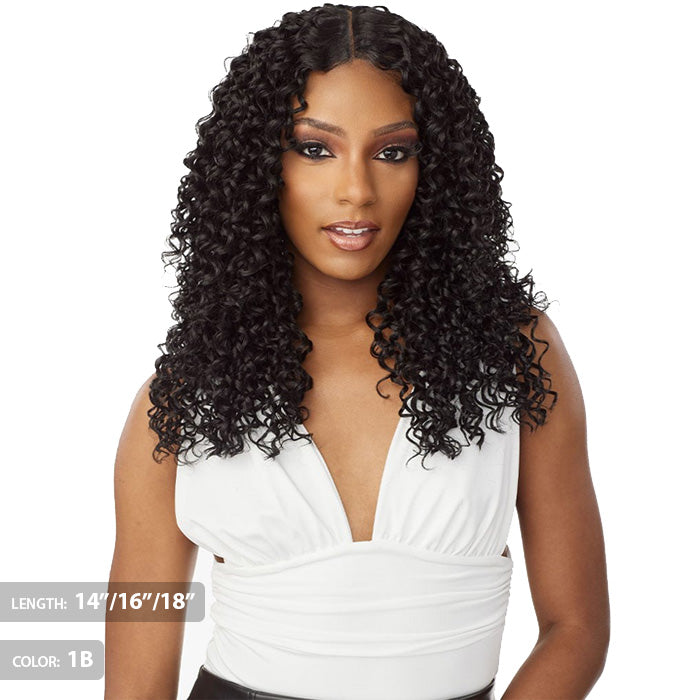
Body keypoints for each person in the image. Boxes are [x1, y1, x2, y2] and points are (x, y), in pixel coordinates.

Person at [105, 4, 609, 699]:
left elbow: (576, 628)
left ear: (435, 169)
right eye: (315, 149)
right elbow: (136, 680)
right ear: (259, 165)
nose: (356, 191)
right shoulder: (187, 397)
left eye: (392, 152)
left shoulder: (513, 351)